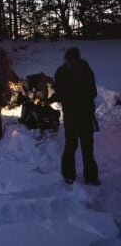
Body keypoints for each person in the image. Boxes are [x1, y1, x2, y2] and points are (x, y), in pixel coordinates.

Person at [52, 47, 100, 185]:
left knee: (71, 145)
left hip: (71, 114)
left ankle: (69, 175)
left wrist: (57, 98)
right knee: (87, 146)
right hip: (85, 113)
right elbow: (93, 92)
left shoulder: (61, 72)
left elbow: (59, 93)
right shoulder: (86, 69)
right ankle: (91, 177)